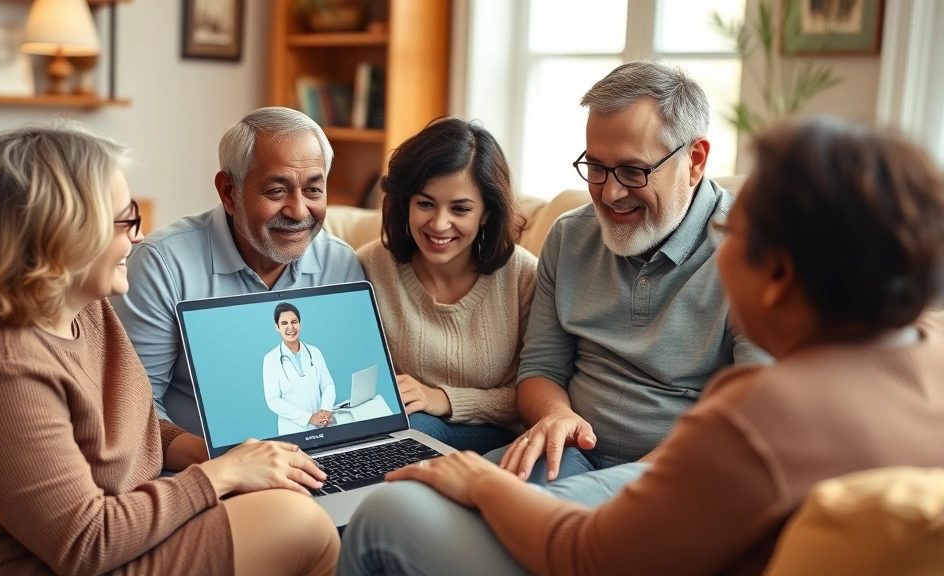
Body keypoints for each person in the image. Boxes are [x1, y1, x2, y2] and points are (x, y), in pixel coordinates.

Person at [337, 116, 944, 576]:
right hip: (608, 485)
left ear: (779, 275)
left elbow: (584, 552)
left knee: (385, 515)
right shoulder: (929, 354)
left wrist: (480, 481)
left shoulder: (756, 416)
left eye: (728, 230)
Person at [0, 123, 339, 575]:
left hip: (122, 522)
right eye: (124, 222)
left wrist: (220, 455)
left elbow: (129, 427)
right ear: (59, 233)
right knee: (300, 524)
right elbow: (85, 543)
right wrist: (221, 475)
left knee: (294, 506)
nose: (137, 237)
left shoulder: (83, 306)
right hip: (46, 559)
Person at [483, 61, 769, 496]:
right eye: (596, 167)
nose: (610, 193)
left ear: (694, 161)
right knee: (414, 506)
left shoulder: (752, 255)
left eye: (634, 171)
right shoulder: (569, 235)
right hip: (567, 455)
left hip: (677, 472)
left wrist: (618, 488)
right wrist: (555, 415)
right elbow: (540, 370)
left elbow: (749, 413)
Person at [112, 107, 365, 439]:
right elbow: (136, 409)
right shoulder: (161, 265)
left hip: (321, 446)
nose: (299, 211)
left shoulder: (342, 264)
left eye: (313, 190)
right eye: (277, 191)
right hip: (204, 460)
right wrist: (228, 461)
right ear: (229, 193)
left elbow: (344, 384)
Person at [356, 117, 537, 453]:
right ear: (406, 202)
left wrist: (442, 399)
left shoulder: (523, 275)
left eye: (460, 209)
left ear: (486, 213)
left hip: (494, 438)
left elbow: (534, 394)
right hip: (402, 430)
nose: (439, 224)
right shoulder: (370, 266)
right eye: (425, 204)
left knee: (413, 430)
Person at [263, 302, 336, 435]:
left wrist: (326, 409)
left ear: (300, 323)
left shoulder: (314, 352)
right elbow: (273, 400)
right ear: (277, 326)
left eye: (294, 322)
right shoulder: (271, 359)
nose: (290, 327)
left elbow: (328, 385)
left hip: (321, 426)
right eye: (284, 323)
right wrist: (309, 418)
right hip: (292, 430)